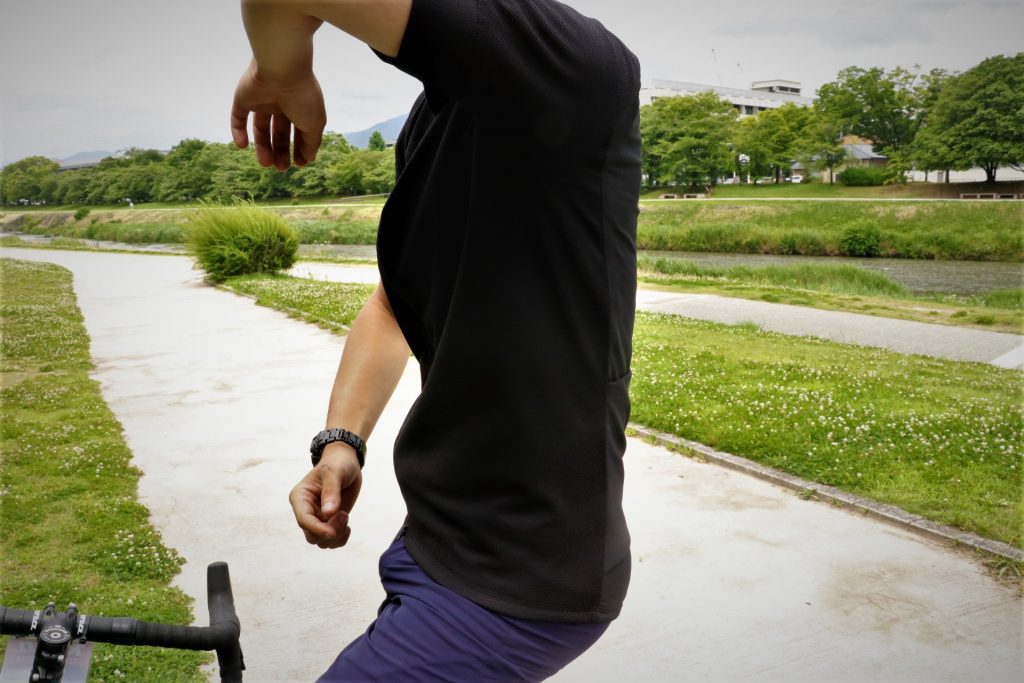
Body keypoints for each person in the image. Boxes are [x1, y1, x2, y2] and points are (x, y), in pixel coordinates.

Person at [230, 0, 640, 679]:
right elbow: (396, 303)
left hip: (522, 577)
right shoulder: (431, 120)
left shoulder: (575, 66)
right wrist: (341, 443)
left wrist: (281, 71)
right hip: (436, 540)